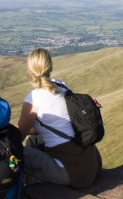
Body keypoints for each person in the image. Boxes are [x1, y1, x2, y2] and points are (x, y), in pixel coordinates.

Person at [17, 48, 101, 189]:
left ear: (30, 70)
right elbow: (58, 125)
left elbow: (18, 137)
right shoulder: (61, 86)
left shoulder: (33, 98)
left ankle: (33, 193)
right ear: (50, 66)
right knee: (34, 140)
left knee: (15, 153)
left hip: (69, 171)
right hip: (91, 163)